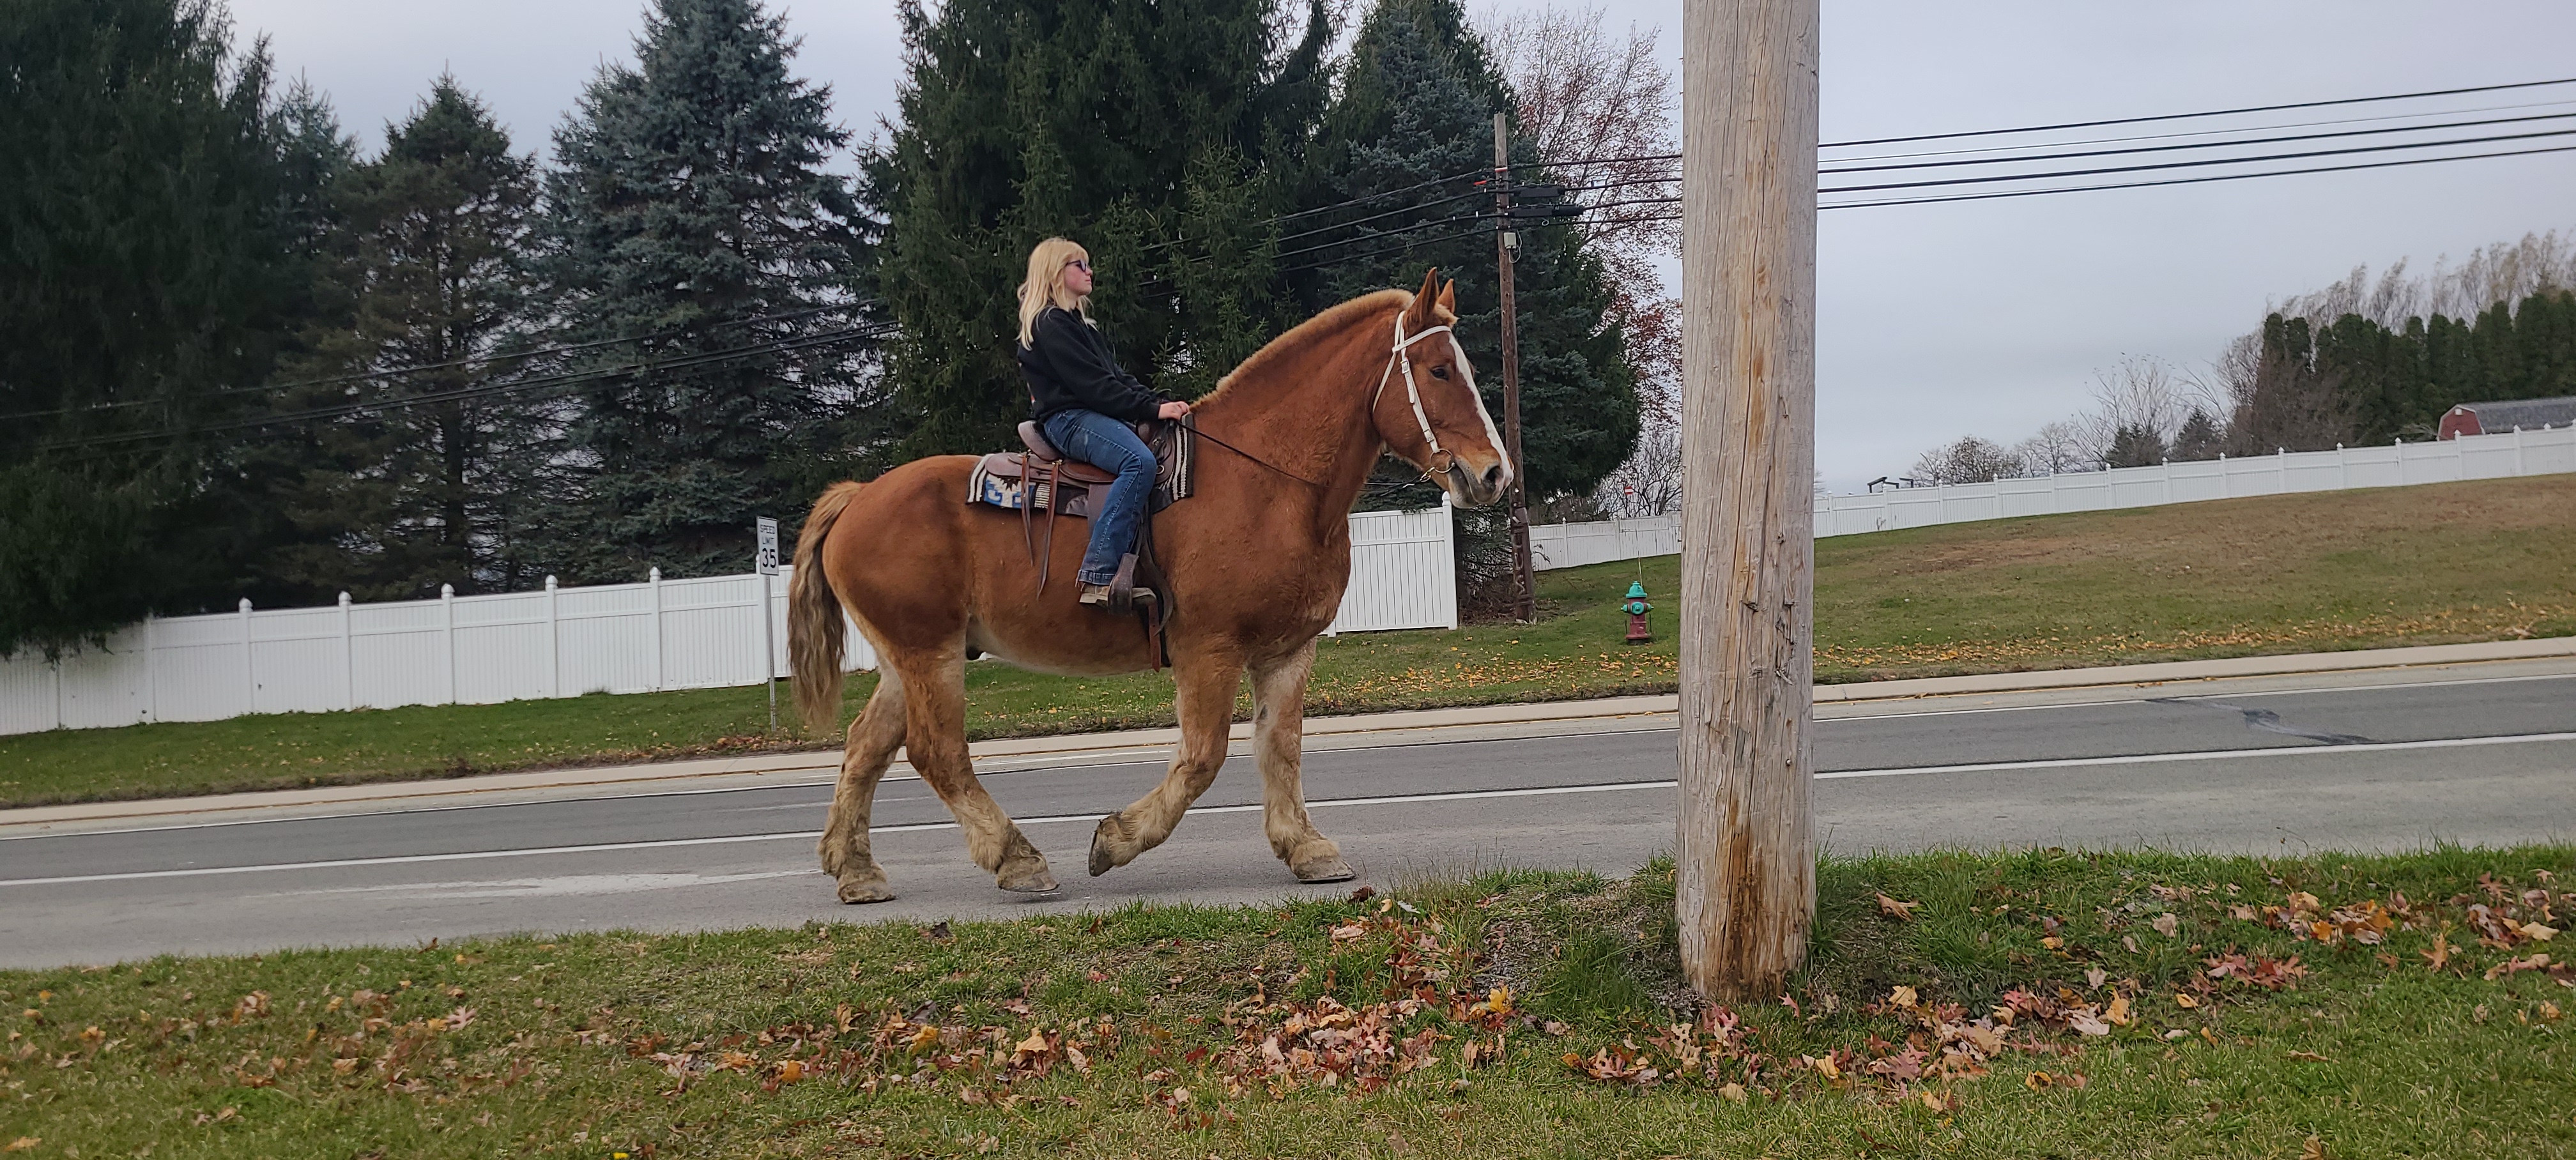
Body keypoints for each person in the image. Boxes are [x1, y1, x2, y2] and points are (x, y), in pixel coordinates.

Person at [1015, 237, 1192, 607]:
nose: (1089, 270)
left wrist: (1157, 403)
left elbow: (1114, 379)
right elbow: (1094, 388)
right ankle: (1099, 575)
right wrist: (1151, 410)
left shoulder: (1080, 326)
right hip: (1068, 419)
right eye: (1079, 264)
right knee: (1139, 462)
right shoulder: (1050, 324)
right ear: (1055, 273)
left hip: (1090, 413)